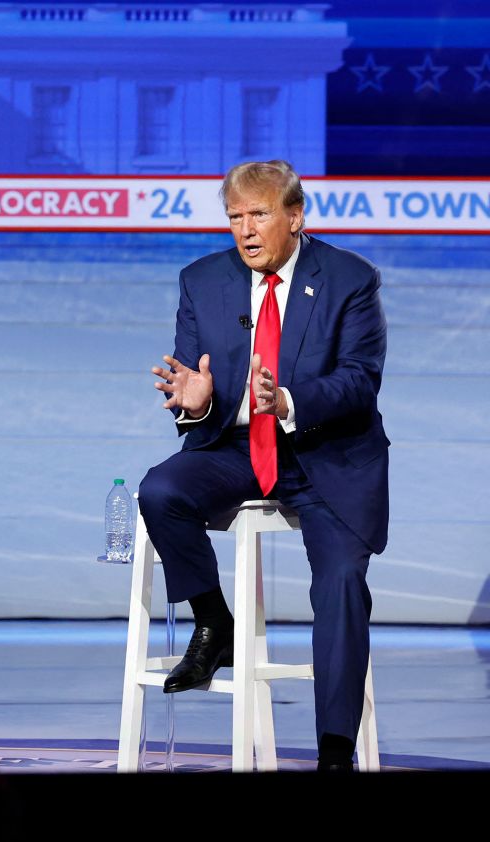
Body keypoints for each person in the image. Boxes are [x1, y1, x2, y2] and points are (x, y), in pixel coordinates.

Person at [139, 160, 388, 772]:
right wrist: (196, 404)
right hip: (236, 450)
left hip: (325, 456)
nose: (245, 230)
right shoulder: (202, 280)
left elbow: (360, 382)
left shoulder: (351, 279)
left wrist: (289, 402)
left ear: (295, 217)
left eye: (259, 214)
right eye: (234, 217)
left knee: (340, 586)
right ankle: (212, 622)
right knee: (160, 490)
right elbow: (194, 381)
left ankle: (334, 750)